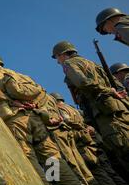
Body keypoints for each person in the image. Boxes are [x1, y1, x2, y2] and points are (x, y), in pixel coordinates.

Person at [0, 53, 87, 185]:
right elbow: (40, 94)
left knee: (28, 156)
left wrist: (11, 101)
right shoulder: (19, 75)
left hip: (16, 118)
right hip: (36, 117)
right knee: (50, 156)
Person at [51, 41, 129, 176]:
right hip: (120, 109)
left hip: (104, 111)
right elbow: (120, 87)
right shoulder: (93, 64)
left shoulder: (69, 64)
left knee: (122, 148)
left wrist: (108, 91)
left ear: (62, 54)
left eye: (57, 57)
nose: (58, 62)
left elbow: (82, 82)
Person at [51, 92, 129, 185]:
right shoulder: (74, 109)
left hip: (83, 148)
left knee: (99, 176)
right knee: (110, 173)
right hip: (93, 145)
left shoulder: (60, 110)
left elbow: (69, 124)